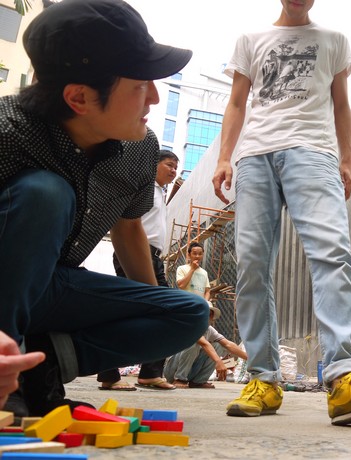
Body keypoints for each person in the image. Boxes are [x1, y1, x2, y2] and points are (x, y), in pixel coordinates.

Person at [0, 0, 209, 417]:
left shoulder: (139, 148)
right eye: (140, 86)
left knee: (188, 312)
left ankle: (39, 368)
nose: (154, 97)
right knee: (46, 193)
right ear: (79, 97)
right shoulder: (8, 134)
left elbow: (129, 228)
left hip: (56, 286)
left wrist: (154, 310)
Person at [212, 0, 351, 426]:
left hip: (314, 152)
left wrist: (348, 160)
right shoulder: (250, 40)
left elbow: (341, 105)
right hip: (255, 157)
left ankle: (344, 379)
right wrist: (224, 156)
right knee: (251, 267)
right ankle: (263, 379)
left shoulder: (334, 41)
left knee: (332, 252)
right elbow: (237, 103)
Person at [97, 150, 180, 391]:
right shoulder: (143, 188)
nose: (174, 170)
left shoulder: (159, 192)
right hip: (135, 253)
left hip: (154, 258)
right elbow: (125, 225)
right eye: (169, 165)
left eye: (176, 167)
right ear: (154, 165)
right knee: (128, 312)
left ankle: (150, 373)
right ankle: (109, 372)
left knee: (166, 311)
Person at [164, 305, 248, 388]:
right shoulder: (189, 325)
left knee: (218, 345)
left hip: (191, 370)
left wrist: (250, 359)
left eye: (210, 314)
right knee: (194, 343)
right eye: (205, 313)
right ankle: (179, 379)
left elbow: (228, 344)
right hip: (173, 371)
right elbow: (204, 343)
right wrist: (219, 362)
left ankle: (198, 381)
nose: (208, 317)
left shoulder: (209, 329)